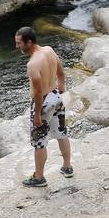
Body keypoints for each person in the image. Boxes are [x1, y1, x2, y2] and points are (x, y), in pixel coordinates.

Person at [15, 26, 71, 187]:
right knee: (61, 132)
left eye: (19, 43)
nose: (17, 46)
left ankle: (39, 177)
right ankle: (67, 167)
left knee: (39, 142)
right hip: (56, 96)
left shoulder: (32, 64)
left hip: (43, 102)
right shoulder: (49, 50)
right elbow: (60, 69)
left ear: (29, 42)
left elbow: (38, 92)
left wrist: (37, 114)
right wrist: (61, 84)